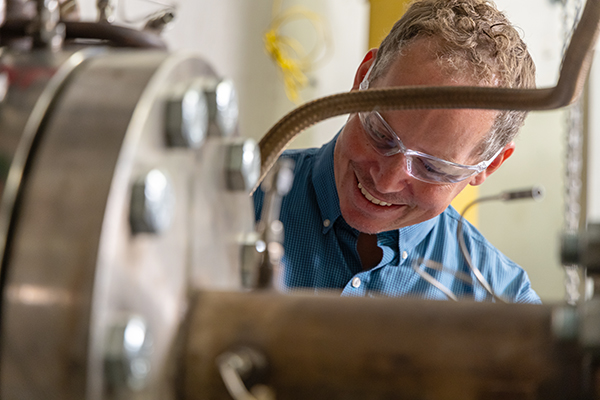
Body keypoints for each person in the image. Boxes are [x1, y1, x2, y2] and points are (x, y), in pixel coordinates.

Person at [254, 0, 540, 303]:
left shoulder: (502, 300)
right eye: (380, 134)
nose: (386, 180)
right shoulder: (233, 198)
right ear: (363, 77)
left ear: (489, 165)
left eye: (433, 167)